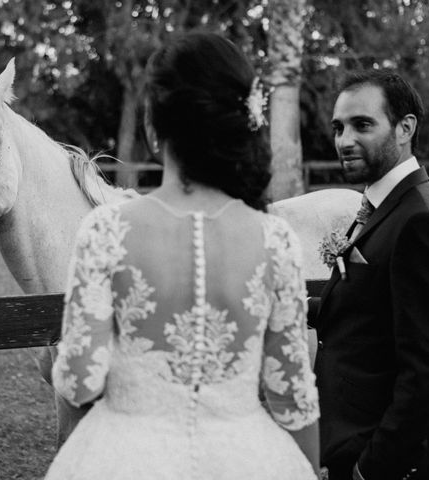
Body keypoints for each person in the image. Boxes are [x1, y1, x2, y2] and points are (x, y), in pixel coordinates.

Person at [44, 32, 319, 480]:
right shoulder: (277, 241)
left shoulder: (106, 231)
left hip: (124, 457)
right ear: (240, 120)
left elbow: (80, 381)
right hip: (249, 458)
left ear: (153, 128)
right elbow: (293, 396)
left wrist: (72, 365)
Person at [311, 69, 429, 480]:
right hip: (344, 439)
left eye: (362, 125)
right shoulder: (378, 206)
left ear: (405, 128)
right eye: (338, 127)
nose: (344, 141)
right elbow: (371, 307)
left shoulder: (420, 220)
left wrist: (370, 469)